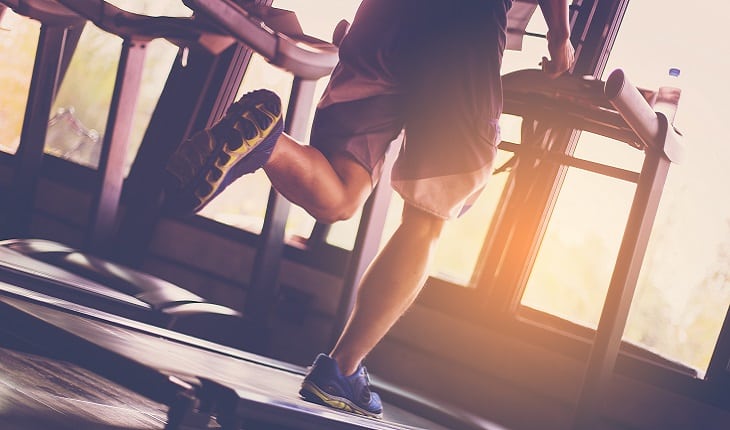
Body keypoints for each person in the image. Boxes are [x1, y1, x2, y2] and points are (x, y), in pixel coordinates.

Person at [163, 0, 574, 419]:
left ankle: (271, 145)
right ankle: (342, 370)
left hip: (382, 19)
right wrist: (560, 36)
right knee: (428, 220)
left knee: (341, 193)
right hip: (465, 27)